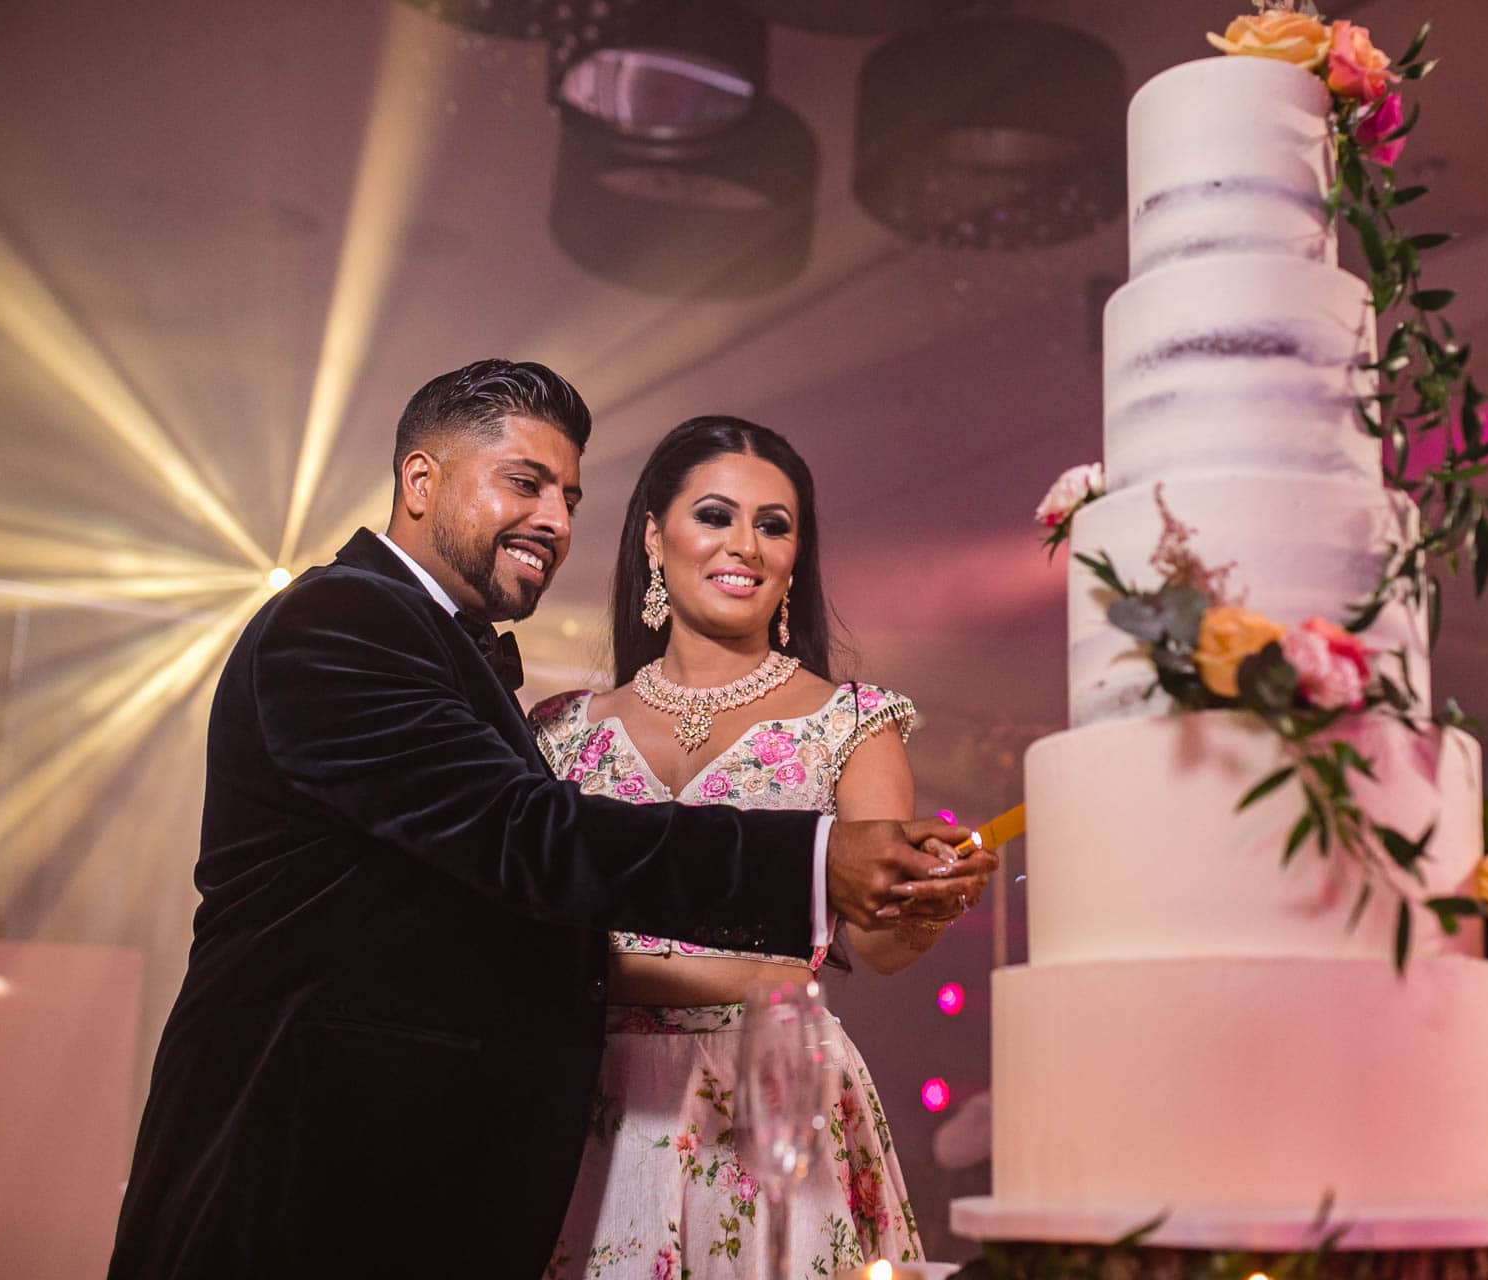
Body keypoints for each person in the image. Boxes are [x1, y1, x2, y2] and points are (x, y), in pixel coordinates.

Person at [107, 362, 990, 1280]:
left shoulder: (452, 653)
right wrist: (812, 864)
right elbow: (532, 840)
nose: (558, 523)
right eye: (523, 483)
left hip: (642, 1138)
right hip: (306, 1166)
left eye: (569, 497)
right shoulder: (341, 623)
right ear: (421, 481)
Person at [529, 416, 983, 1278]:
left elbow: (882, 943)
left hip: (771, 1099)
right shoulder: (561, 733)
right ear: (655, 539)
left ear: (795, 559)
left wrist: (932, 903)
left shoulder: (851, 722)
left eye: (773, 525)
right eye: (715, 515)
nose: (746, 544)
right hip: (587, 1104)